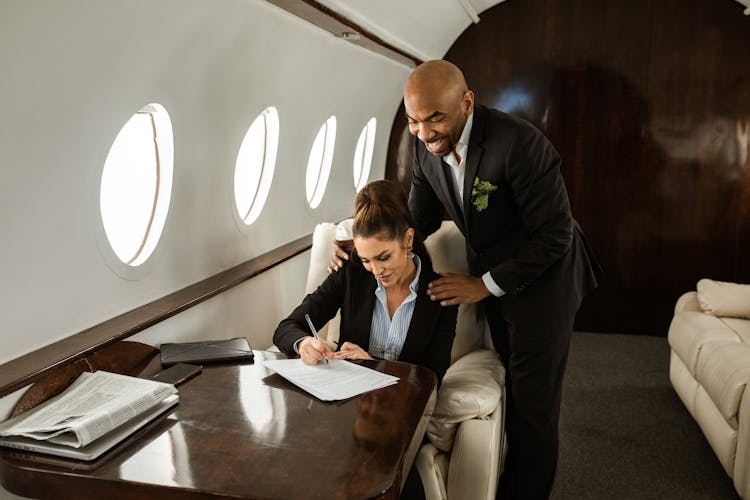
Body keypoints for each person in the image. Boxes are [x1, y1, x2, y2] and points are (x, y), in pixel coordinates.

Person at [331, 60, 600, 499]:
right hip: (493, 275)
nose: (424, 131)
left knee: (535, 408)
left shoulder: (520, 144)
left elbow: (555, 236)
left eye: (435, 117)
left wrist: (483, 284)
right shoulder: (422, 148)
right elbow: (418, 221)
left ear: (467, 102)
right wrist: (358, 250)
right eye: (414, 120)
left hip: (546, 281)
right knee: (512, 386)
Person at [274, 179, 458, 385]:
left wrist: (372, 365)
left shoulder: (441, 294)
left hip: (403, 407)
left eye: (383, 257)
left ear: (408, 239)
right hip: (347, 401)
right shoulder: (350, 273)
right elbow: (287, 327)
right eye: (366, 260)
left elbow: (432, 378)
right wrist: (303, 343)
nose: (376, 271)